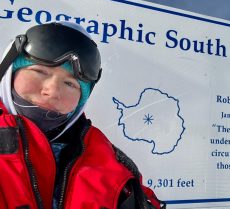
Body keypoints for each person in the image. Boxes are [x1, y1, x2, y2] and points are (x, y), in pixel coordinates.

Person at [0, 22, 165, 209]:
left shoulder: (112, 164)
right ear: (8, 73)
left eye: (70, 84)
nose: (52, 91)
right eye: (39, 71)